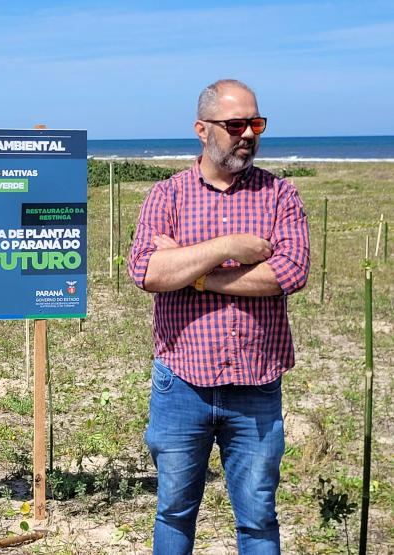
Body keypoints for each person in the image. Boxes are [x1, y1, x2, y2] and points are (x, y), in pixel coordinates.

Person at [127, 79, 309, 554]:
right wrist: (227, 247)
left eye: (256, 123)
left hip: (256, 386)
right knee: (173, 511)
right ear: (202, 129)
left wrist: (196, 274)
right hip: (181, 385)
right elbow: (147, 270)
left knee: (258, 518)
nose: (247, 133)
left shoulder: (279, 195)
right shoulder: (166, 196)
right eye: (235, 124)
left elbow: (289, 272)